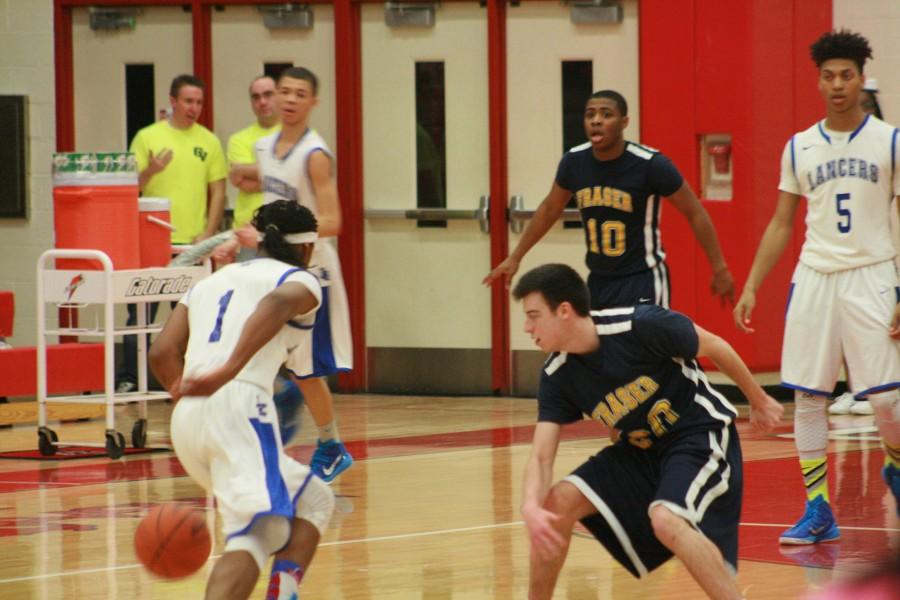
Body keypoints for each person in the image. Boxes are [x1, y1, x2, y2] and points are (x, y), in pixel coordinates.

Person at [513, 263, 782, 600]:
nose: (526, 326)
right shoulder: (557, 374)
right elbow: (541, 456)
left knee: (666, 519)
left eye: (534, 315)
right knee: (555, 506)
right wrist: (530, 508)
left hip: (696, 433)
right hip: (641, 449)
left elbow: (716, 346)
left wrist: (758, 400)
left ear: (564, 310)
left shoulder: (639, 324)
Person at [733, 30, 900, 543]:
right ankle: (818, 508)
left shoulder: (890, 140)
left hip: (873, 272)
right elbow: (783, 222)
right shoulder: (799, 145)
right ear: (819, 82)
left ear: (860, 79)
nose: (837, 85)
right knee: (808, 397)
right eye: (828, 76)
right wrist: (753, 284)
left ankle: (894, 465)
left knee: (888, 402)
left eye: (846, 75)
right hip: (814, 277)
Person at [148, 200, 335, 600]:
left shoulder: (209, 282)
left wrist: (184, 387)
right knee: (253, 533)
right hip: (239, 404)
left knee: (314, 500)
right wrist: (229, 370)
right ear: (305, 249)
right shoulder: (300, 281)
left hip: (187, 416)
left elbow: (161, 352)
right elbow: (275, 304)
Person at [484, 90, 735, 310]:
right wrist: (515, 256)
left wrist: (720, 268)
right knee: (605, 358)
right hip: (599, 279)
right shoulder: (574, 161)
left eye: (606, 114)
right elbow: (550, 208)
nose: (596, 120)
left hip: (643, 278)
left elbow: (695, 212)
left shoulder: (650, 164)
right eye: (590, 114)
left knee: (648, 358)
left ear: (624, 122)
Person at [229, 66, 354, 483]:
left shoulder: (315, 154)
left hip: (310, 270)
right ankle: (270, 435)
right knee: (264, 353)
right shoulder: (265, 147)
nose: (289, 99)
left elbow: (334, 220)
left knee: (306, 369)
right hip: (271, 266)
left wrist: (271, 234)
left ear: (313, 102)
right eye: (284, 91)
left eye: (300, 93)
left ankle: (330, 445)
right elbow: (271, 202)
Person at [117, 74, 228, 393]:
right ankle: (130, 378)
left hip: (191, 244)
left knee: (192, 314)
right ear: (173, 101)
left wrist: (207, 234)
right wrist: (152, 170)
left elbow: (218, 191)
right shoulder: (147, 137)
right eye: (188, 101)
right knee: (140, 312)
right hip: (151, 240)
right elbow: (129, 187)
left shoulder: (208, 141)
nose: (194, 108)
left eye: (199, 102)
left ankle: (186, 379)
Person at [228, 75, 281, 235]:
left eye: (268, 94)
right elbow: (243, 183)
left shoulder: (296, 135)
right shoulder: (238, 139)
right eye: (256, 97)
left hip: (285, 232)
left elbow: (299, 179)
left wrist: (248, 171)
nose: (262, 101)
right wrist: (284, 180)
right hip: (247, 230)